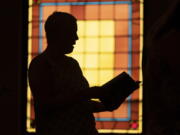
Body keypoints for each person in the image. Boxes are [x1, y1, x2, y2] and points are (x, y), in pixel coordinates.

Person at [28, 12, 108, 135]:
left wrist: (107, 105)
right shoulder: (41, 65)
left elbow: (80, 105)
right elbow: (46, 105)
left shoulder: (72, 64)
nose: (76, 38)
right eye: (72, 32)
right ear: (58, 35)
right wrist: (85, 94)